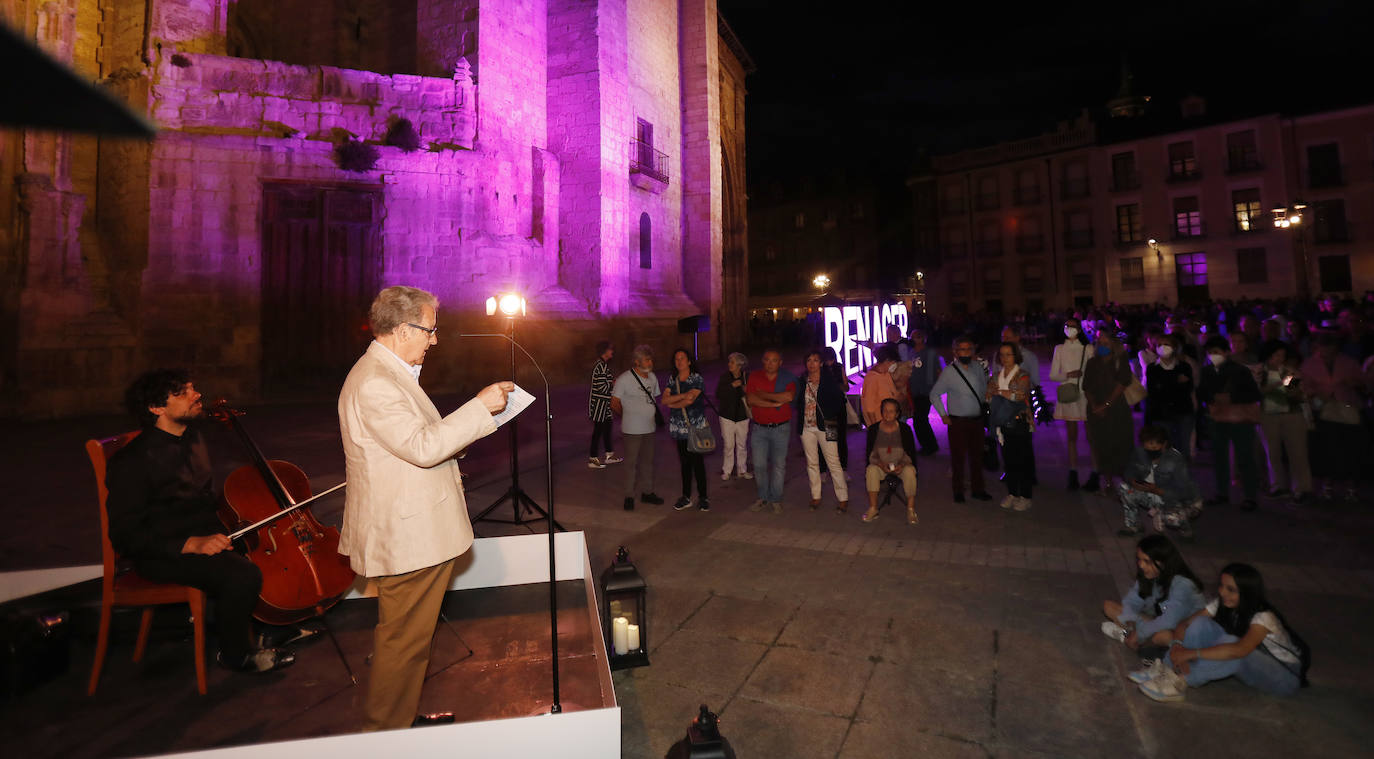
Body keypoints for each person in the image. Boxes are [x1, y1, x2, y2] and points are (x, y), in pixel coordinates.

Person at [337, 285, 513, 730]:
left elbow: (417, 441)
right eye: (429, 331)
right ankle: (386, 734)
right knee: (403, 642)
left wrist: (466, 431)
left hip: (416, 530)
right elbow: (421, 446)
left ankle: (400, 719)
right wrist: (479, 408)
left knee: (412, 640)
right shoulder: (375, 380)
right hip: (407, 535)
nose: (434, 340)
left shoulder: (391, 373)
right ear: (401, 330)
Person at [106, 369, 297, 675]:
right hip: (161, 552)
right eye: (183, 393)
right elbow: (125, 534)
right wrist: (191, 544)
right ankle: (235, 654)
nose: (197, 396)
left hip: (201, 535)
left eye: (193, 388)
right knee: (241, 574)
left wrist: (234, 519)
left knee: (263, 549)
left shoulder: (193, 438)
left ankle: (271, 627)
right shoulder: (133, 461)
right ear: (156, 408)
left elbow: (200, 502)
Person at [1136, 564, 1307, 702]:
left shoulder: (1264, 617)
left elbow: (1239, 650)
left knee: (1233, 646)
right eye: (1222, 586)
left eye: (1231, 589)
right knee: (1201, 623)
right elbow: (1185, 624)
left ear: (1247, 593)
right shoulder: (1225, 603)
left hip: (1284, 678)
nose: (1223, 592)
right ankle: (1167, 669)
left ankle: (1180, 681)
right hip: (1248, 660)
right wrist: (1177, 647)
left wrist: (1190, 654)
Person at [1101, 535, 1206, 655]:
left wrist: (1140, 632)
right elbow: (1131, 601)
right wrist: (1129, 620)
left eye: (1147, 561)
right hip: (1157, 621)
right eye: (1139, 560)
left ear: (1163, 562)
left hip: (1182, 632)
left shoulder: (1183, 584)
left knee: (1162, 636)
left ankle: (1128, 636)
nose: (1141, 565)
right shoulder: (1150, 574)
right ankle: (1130, 636)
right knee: (1109, 606)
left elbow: (1169, 621)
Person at [1197, 336, 1262, 511]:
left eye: (1216, 352)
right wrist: (1211, 398)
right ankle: (1222, 493)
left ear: (1226, 352)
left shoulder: (1240, 370)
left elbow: (1254, 394)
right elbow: (1201, 392)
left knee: (1244, 457)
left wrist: (1228, 398)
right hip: (1217, 418)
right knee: (1219, 457)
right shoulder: (1207, 371)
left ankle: (1250, 496)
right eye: (1210, 352)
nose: (1213, 355)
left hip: (1240, 419)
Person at [1301, 332, 1368, 501]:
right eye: (1324, 348)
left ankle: (1351, 487)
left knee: (1350, 450)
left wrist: (1352, 384)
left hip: (1347, 409)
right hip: (1322, 411)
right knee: (1326, 450)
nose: (1327, 352)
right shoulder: (1309, 364)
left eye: (1331, 348)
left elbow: (1363, 382)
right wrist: (1314, 394)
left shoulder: (1348, 362)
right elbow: (1299, 385)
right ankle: (1328, 486)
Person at [931, 336, 993, 503]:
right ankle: (958, 490)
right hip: (958, 421)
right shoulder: (949, 372)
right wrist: (943, 415)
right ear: (955, 352)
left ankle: (977, 489)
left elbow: (984, 387)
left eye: (969, 349)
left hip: (977, 419)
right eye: (962, 350)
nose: (966, 352)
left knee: (977, 456)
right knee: (958, 458)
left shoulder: (978, 368)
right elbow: (934, 394)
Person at [1118, 425, 1201, 539]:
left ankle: (1185, 528)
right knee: (1125, 488)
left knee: (1172, 519)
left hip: (1181, 501)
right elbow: (1129, 470)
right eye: (1147, 447)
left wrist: (1159, 491)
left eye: (1154, 448)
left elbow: (1185, 492)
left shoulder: (1175, 460)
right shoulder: (1139, 452)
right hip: (1153, 494)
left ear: (1164, 445)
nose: (1150, 452)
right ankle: (1134, 525)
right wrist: (1132, 481)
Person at [611, 345, 666, 511]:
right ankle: (629, 495)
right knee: (631, 463)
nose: (650, 362)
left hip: (649, 428)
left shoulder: (652, 377)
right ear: (636, 361)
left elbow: (655, 398)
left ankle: (647, 492)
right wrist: (627, 415)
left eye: (651, 359)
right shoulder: (624, 379)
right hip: (632, 430)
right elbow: (614, 403)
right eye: (646, 359)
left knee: (648, 462)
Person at [795, 349, 850, 513]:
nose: (811, 364)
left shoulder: (828, 380)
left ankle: (843, 497)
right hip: (806, 427)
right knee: (812, 462)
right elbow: (798, 401)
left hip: (829, 424)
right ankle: (815, 495)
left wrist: (827, 413)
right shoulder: (802, 380)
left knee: (834, 461)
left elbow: (839, 401)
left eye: (815, 360)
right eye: (809, 360)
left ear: (821, 363)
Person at [1082, 331, 1136, 495]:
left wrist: (1105, 405)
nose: (1103, 347)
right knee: (1100, 444)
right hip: (1096, 409)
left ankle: (1127, 482)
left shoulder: (1120, 361)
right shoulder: (1092, 363)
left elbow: (1122, 384)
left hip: (1116, 408)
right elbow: (1087, 387)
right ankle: (1107, 482)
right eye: (1100, 343)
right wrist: (1094, 405)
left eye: (1106, 344)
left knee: (1120, 443)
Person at [1257, 344, 1312, 502]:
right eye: (1276, 355)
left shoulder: (1289, 371)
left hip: (1292, 414)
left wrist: (1290, 384)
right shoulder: (1260, 371)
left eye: (1282, 355)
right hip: (1267, 415)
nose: (1279, 359)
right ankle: (1278, 486)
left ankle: (1302, 488)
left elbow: (1295, 394)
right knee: (1272, 452)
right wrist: (1277, 384)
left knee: (1298, 452)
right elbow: (1257, 391)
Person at [746, 348, 797, 514]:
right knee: (759, 465)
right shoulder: (754, 376)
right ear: (762, 361)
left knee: (778, 465)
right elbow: (751, 399)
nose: (770, 363)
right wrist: (774, 402)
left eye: (774, 360)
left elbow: (788, 397)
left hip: (781, 428)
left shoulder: (787, 377)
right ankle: (762, 497)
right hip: (759, 429)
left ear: (780, 363)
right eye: (767, 359)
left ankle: (776, 499)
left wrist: (763, 394)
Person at [986, 341, 1035, 511]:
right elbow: (988, 396)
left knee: (1023, 460)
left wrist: (1000, 394)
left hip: (1020, 423)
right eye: (1002, 354)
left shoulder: (1023, 374)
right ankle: (1013, 493)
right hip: (1002, 424)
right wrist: (1004, 394)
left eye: (1009, 354)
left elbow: (1020, 395)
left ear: (1016, 356)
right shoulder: (996, 375)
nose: (1005, 358)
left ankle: (1026, 496)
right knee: (1009, 460)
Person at [663, 348, 710, 512]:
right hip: (678, 428)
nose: (679, 361)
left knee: (697, 462)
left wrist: (673, 402)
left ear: (689, 361)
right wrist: (681, 397)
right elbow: (664, 399)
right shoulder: (672, 379)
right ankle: (686, 496)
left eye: (682, 358)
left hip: (694, 427)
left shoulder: (696, 378)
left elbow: (690, 400)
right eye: (676, 359)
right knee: (684, 463)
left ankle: (703, 497)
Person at [1050, 317, 1092, 490]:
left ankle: (1095, 472)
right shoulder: (1059, 348)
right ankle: (1073, 471)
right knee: (1072, 437)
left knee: (1091, 437)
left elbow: (1094, 370)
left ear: (1080, 329)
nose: (1069, 329)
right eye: (1067, 326)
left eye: (1073, 326)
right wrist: (1069, 375)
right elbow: (1053, 375)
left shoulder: (1088, 348)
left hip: (1086, 394)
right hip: (1069, 394)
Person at [863, 398, 919, 524]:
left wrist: (902, 464)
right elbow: (870, 455)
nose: (888, 414)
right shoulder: (874, 430)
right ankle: (873, 508)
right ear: (881, 412)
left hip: (901, 465)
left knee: (910, 471)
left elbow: (910, 454)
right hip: (881, 465)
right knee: (871, 470)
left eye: (891, 411)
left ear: (897, 414)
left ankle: (911, 509)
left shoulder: (905, 430)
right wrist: (881, 464)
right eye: (885, 411)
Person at [1144, 334, 1195, 459]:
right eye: (1159, 345)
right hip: (1161, 413)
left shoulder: (1184, 366)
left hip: (1182, 411)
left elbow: (1188, 388)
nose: (1163, 347)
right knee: (1164, 448)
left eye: (1166, 344)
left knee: (1182, 449)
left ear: (1175, 347)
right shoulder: (1152, 368)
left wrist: (1164, 383)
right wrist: (1175, 381)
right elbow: (1154, 391)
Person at [715, 352, 752, 481]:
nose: (729, 364)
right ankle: (727, 470)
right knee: (729, 445)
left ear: (740, 365)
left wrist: (745, 388)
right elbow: (718, 394)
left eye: (732, 362)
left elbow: (753, 393)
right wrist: (732, 386)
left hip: (743, 416)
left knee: (742, 444)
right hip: (727, 416)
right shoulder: (725, 377)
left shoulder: (747, 377)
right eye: (729, 362)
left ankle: (742, 469)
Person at [906, 329, 943, 455]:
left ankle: (930, 446)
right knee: (920, 420)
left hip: (926, 391)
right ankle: (929, 445)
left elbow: (937, 371)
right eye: (914, 336)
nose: (916, 338)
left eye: (918, 336)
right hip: (914, 390)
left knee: (919, 419)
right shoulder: (911, 352)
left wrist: (935, 389)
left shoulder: (930, 353)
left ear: (923, 338)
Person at [587, 341, 622, 469]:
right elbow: (601, 387)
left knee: (607, 430)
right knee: (598, 432)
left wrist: (612, 383)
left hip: (604, 406)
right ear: (605, 351)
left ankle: (609, 456)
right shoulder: (600, 366)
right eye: (610, 349)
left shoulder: (602, 365)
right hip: (599, 406)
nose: (612, 351)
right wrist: (613, 383)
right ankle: (593, 459)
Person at [821, 347, 852, 470]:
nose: (830, 362)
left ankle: (842, 466)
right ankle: (833, 465)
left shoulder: (839, 367)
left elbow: (846, 387)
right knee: (831, 437)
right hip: (829, 408)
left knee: (839, 438)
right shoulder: (821, 369)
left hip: (837, 406)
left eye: (831, 360)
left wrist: (836, 386)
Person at [860, 345, 901, 426]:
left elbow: (893, 393)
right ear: (887, 361)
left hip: (889, 421)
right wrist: (874, 429)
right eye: (893, 362)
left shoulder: (885, 373)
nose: (895, 365)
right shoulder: (872, 378)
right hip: (880, 423)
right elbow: (869, 408)